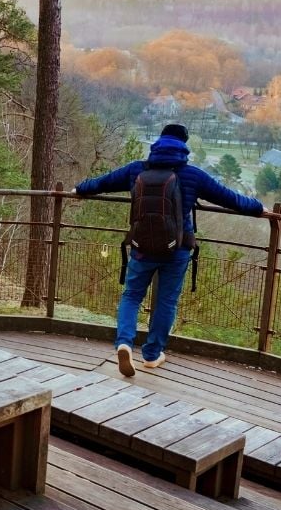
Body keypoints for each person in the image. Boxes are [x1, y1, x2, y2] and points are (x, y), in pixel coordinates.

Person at [74, 124, 265, 376]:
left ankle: (124, 343)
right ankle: (152, 355)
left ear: (158, 143)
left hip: (142, 249)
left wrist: (79, 189)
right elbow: (230, 198)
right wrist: (258, 207)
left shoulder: (136, 170)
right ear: (184, 146)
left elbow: (102, 183)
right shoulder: (193, 175)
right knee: (166, 301)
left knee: (132, 296)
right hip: (177, 250)